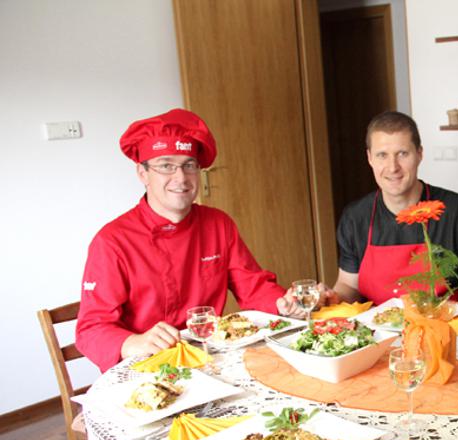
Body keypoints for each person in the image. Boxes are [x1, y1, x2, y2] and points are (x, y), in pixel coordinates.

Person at [76, 108, 302, 371]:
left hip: (210, 357)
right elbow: (91, 329)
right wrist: (134, 342)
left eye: (189, 165)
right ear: (142, 173)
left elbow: (252, 286)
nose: (181, 177)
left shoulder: (218, 223)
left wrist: (283, 302)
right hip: (148, 368)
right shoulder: (112, 241)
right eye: (166, 166)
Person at [323, 111, 458, 306]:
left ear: (419, 154)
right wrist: (333, 298)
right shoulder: (355, 217)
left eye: (402, 154)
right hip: (376, 325)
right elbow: (349, 286)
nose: (392, 167)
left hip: (447, 323)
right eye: (382, 155)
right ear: (369, 158)